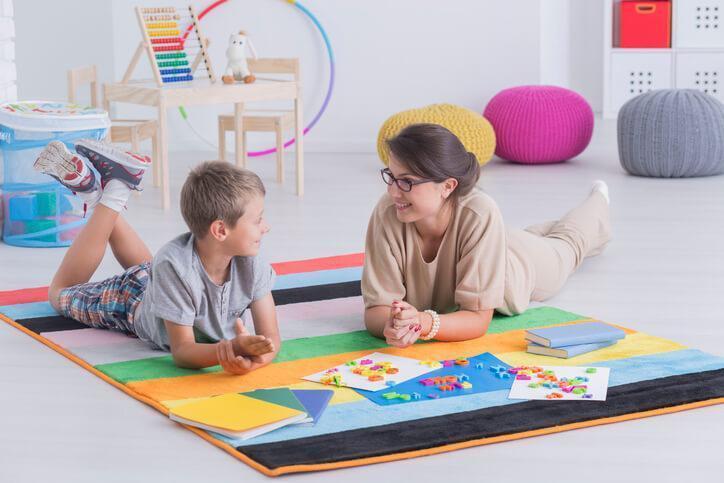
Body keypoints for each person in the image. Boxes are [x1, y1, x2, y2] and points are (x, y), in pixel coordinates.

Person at [34, 140, 279, 374]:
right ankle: (114, 191)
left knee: (154, 267)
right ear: (220, 231)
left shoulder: (251, 263)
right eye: (258, 220)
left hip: (161, 279)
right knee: (58, 294)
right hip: (131, 299)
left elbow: (271, 339)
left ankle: (93, 189)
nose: (266, 227)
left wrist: (256, 361)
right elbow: (183, 351)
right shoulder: (174, 267)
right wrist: (229, 350)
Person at [362, 123, 611, 348]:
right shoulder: (388, 212)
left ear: (448, 186)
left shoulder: (480, 213)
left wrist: (421, 323)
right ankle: (539, 231)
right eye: (391, 177)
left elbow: (477, 320)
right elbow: (376, 310)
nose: (393, 191)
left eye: (406, 181)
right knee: (532, 235)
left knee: (569, 243)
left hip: (516, 268)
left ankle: (599, 199)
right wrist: (393, 324)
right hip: (489, 242)